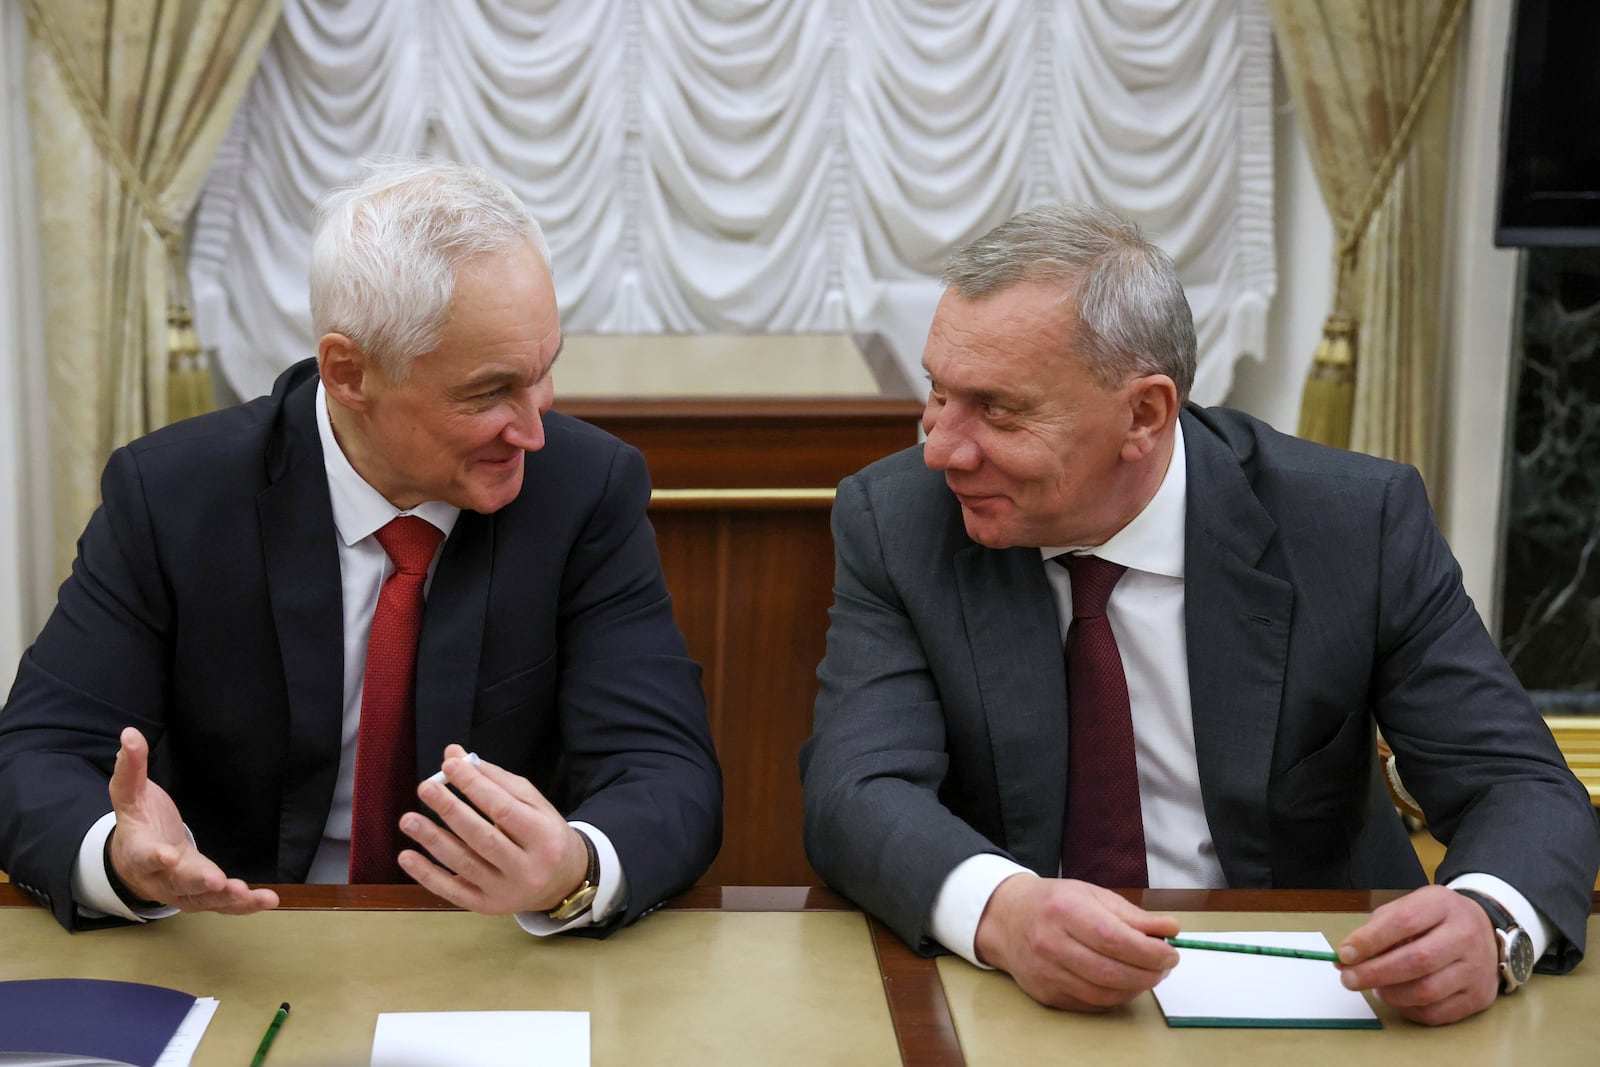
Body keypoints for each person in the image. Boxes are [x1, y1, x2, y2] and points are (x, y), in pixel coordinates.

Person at [799, 203, 1599, 1026]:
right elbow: (857, 789)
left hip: (1321, 990)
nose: (941, 449)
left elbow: (1520, 785)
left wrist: (1488, 922)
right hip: (1021, 1004)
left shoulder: (1350, 524)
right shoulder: (900, 519)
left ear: (1144, 413)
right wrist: (1002, 908)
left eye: (998, 410)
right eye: (937, 394)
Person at [0, 158, 721, 937]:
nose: (535, 428)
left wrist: (576, 867)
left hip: (491, 955)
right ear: (348, 372)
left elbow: (666, 771)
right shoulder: (174, 496)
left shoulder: (583, 491)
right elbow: (35, 753)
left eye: (543, 374)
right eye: (490, 391)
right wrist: (118, 856)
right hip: (241, 943)